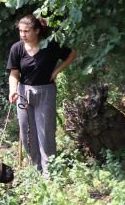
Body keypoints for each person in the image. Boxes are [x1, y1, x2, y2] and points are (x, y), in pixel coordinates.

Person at [7, 14, 76, 175]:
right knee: (27, 133)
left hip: (45, 92)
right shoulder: (16, 48)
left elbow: (72, 54)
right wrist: (13, 90)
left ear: (37, 31)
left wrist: (57, 71)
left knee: (46, 133)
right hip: (23, 93)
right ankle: (35, 169)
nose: (23, 34)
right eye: (20, 31)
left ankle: (49, 172)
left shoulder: (50, 45)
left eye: (27, 31)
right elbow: (14, 73)